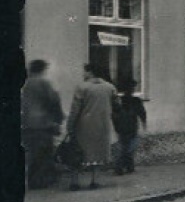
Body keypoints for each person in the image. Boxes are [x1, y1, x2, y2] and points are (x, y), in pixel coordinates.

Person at [64, 63, 117, 189]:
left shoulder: (82, 87)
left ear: (90, 72)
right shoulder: (110, 87)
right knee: (97, 153)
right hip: (102, 125)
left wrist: (70, 125)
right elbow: (116, 105)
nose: (83, 74)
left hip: (83, 126)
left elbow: (75, 110)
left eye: (85, 71)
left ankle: (74, 182)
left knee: (77, 152)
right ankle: (95, 181)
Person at [21, 59, 65, 190]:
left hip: (27, 124)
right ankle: (42, 181)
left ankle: (33, 180)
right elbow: (53, 100)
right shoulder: (43, 82)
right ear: (42, 69)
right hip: (43, 124)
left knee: (32, 153)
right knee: (44, 153)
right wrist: (59, 119)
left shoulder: (26, 83)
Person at [111, 75, 146, 175]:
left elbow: (142, 113)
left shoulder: (124, 100)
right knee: (127, 148)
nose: (131, 90)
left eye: (132, 88)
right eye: (130, 88)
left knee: (126, 148)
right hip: (127, 127)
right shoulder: (131, 101)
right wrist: (143, 124)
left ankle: (125, 167)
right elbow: (142, 113)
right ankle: (123, 167)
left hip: (125, 127)